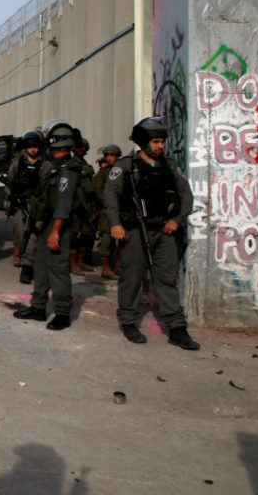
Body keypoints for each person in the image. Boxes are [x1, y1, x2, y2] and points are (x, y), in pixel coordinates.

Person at [103, 116, 199, 350]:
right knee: (132, 277)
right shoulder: (125, 166)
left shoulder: (170, 166)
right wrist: (115, 223)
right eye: (156, 141)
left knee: (166, 279)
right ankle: (128, 321)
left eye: (162, 142)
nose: (160, 146)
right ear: (144, 142)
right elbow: (111, 195)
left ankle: (177, 328)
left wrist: (177, 219)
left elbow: (186, 195)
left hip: (163, 231)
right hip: (134, 230)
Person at [13, 122, 83, 330]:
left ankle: (62, 312)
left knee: (58, 270)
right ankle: (38, 307)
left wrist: (55, 231)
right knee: (41, 267)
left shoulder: (68, 170)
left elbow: (64, 203)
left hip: (57, 226)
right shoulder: (56, 166)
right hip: (46, 223)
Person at [0, 129, 47, 284]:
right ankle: (20, 253)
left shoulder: (45, 165)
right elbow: (8, 181)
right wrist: (12, 196)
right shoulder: (18, 163)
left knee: (34, 234)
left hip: (37, 205)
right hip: (21, 203)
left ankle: (28, 266)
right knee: (20, 232)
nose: (32, 149)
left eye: (35, 146)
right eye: (30, 146)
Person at [93, 144, 122, 279]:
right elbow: (98, 192)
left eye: (112, 155)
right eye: (107, 156)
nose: (109, 158)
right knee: (107, 238)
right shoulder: (103, 173)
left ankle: (118, 265)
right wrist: (109, 204)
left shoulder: (121, 172)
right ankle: (106, 267)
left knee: (122, 239)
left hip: (121, 210)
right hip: (106, 211)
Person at [69, 136, 97, 276]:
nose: (83, 150)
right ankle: (73, 262)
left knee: (87, 233)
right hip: (76, 204)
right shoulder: (71, 164)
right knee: (73, 234)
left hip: (87, 204)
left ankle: (81, 260)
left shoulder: (85, 164)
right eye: (80, 148)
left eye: (84, 149)